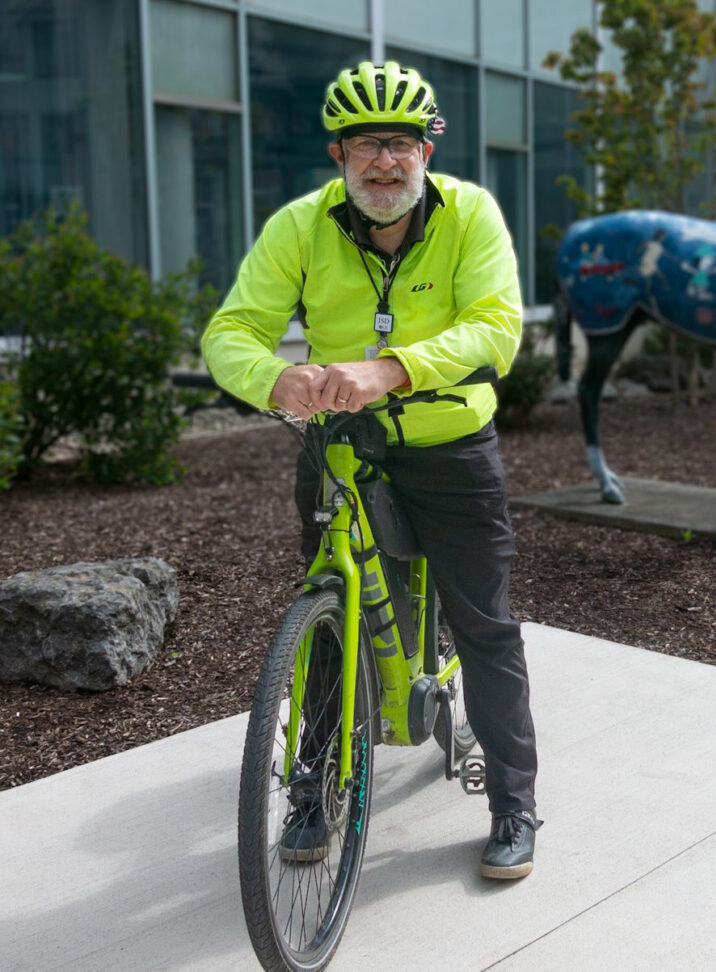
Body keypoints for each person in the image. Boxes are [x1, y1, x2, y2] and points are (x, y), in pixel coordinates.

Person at [202, 60, 540, 880]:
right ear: (338, 155)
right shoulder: (299, 225)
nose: (383, 163)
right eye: (365, 147)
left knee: (484, 625)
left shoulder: (471, 215)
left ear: (427, 148)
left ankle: (513, 803)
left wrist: (390, 367)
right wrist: (272, 377)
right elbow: (229, 331)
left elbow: (497, 329)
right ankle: (313, 786)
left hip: (451, 447)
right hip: (342, 447)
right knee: (330, 616)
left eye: (399, 143)